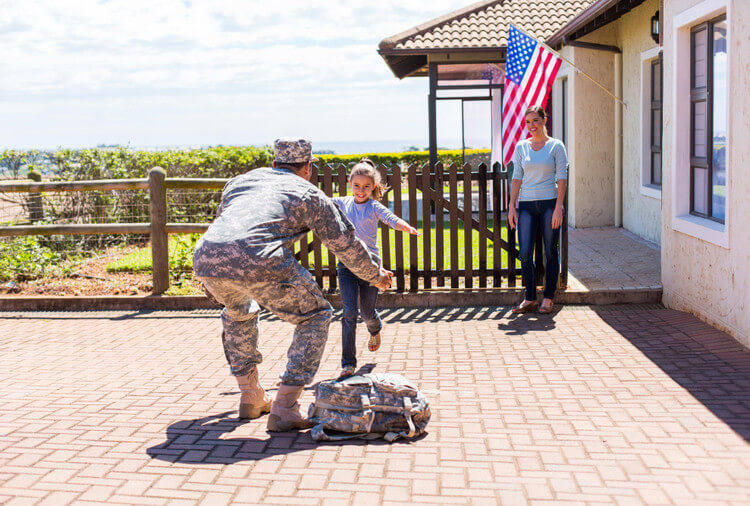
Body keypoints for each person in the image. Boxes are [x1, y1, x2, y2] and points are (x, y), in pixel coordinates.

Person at [193, 138, 393, 432]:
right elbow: (345, 244)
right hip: (260, 256)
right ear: (308, 168)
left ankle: (251, 396)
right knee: (315, 315)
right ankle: (285, 408)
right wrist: (376, 275)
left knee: (238, 311)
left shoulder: (240, 182)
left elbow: (228, 226)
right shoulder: (309, 193)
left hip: (207, 256)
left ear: (275, 164)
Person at [331, 159, 420, 378]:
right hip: (346, 265)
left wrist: (406, 227)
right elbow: (319, 204)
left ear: (373, 187)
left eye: (366, 186)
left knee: (367, 313)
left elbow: (391, 219)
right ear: (350, 183)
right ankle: (348, 364)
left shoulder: (373, 207)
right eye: (356, 185)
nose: (361, 191)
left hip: (371, 267)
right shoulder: (341, 203)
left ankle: (375, 328)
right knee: (349, 313)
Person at [507, 106, 568, 314]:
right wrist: (512, 206)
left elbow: (562, 178)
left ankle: (548, 297)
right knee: (524, 253)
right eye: (528, 122)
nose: (531, 125)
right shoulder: (521, 147)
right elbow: (517, 177)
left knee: (550, 251)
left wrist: (558, 207)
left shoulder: (556, 146)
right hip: (526, 205)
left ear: (544, 120)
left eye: (535, 120)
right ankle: (530, 298)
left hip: (550, 203)